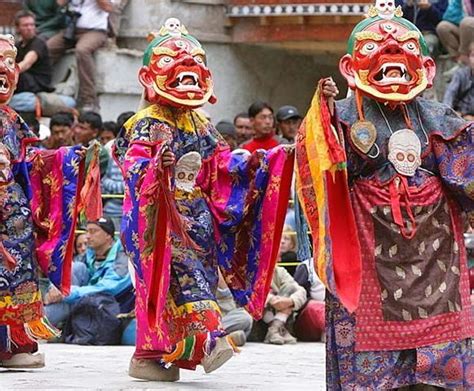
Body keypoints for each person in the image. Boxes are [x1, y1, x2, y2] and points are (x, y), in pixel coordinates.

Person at [296, 4, 473, 389]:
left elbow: (467, 174)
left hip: (434, 252)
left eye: (404, 54)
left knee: (436, 365)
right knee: (370, 355)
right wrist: (320, 119)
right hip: (366, 245)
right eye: (377, 51)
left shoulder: (438, 117)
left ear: (426, 69)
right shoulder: (340, 115)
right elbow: (319, 171)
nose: (392, 63)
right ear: (350, 67)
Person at [113, 18, 294, 382]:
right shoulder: (145, 122)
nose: (188, 74)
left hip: (196, 219)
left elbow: (222, 165)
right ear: (151, 76)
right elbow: (131, 164)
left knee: (194, 280)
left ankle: (152, 357)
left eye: (195, 64)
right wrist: (155, 167)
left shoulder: (201, 123)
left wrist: (265, 158)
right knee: (178, 280)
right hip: (160, 220)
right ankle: (210, 340)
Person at [0, 34, 86, 369]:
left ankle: (13, 346)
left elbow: (28, 163)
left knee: (18, 279)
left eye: (10, 62)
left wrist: (68, 160)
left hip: (13, 213)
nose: (5, 69)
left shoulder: (10, 119)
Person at [44, 217, 132, 329]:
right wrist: (55, 289)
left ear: (108, 235)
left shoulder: (123, 255)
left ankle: (39, 324)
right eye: (87, 231)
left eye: (93, 231)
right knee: (75, 267)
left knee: (70, 299)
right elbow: (66, 273)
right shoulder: (88, 254)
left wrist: (67, 293)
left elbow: (108, 288)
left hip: (111, 308)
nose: (88, 236)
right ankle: (44, 324)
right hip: (86, 302)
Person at [47, 0, 114, 112]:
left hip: (96, 30)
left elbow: (108, 7)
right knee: (48, 48)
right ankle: (41, 85)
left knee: (82, 50)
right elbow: (59, 3)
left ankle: (88, 98)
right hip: (72, 29)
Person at [14, 10, 53, 94]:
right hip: (27, 80)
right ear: (18, 28)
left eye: (32, 25)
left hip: (39, 83)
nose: (29, 28)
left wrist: (9, 73)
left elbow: (26, 63)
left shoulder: (39, 43)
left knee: (15, 76)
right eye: (25, 25)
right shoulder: (18, 45)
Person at [216, 270, 253, 347]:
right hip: (204, 315)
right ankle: (223, 338)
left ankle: (220, 337)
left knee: (246, 318)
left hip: (225, 318)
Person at [436, 0, 474, 65]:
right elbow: (447, 16)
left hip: (469, 25)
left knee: (466, 23)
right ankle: (458, 60)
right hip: (465, 27)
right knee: (443, 27)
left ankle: (464, 57)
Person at [443, 42, 474, 119]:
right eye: (473, 56)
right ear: (468, 57)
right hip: (459, 115)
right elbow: (449, 95)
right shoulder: (461, 74)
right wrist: (449, 113)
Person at [73, 111, 109, 177]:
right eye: (77, 127)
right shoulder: (78, 146)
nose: (77, 131)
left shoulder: (100, 152)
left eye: (82, 128)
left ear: (95, 132)